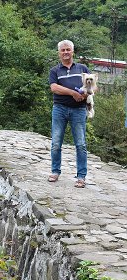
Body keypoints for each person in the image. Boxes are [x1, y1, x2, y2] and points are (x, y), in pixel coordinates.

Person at [48, 40, 90, 188]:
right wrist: (73, 93)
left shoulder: (83, 68)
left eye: (68, 50)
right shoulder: (55, 71)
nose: (65, 52)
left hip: (79, 110)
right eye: (63, 50)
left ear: (73, 51)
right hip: (59, 108)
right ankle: (55, 171)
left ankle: (81, 176)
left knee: (81, 144)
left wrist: (85, 95)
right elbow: (54, 88)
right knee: (56, 143)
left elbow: (93, 86)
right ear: (59, 53)